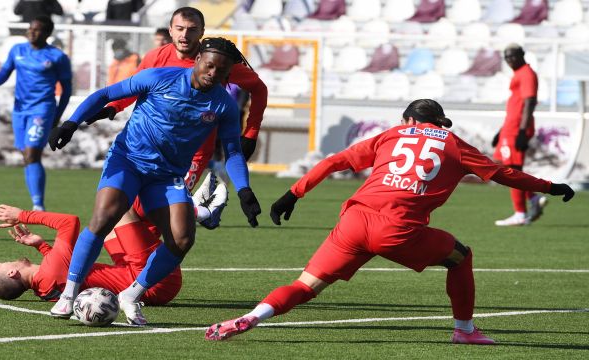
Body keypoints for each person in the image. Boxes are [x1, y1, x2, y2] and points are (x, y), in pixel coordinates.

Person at [205, 99, 575, 344]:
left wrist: (293, 194)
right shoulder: (451, 142)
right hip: (397, 230)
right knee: (461, 256)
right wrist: (550, 186)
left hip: (353, 221)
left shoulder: (392, 134)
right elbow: (502, 173)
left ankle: (253, 316)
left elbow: (336, 161)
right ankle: (464, 330)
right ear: (439, 122)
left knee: (305, 286)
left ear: (409, 121)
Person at [47, 37, 262, 325]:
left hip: (167, 176)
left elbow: (233, 152)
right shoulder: (160, 78)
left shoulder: (224, 105)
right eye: (210, 66)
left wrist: (245, 190)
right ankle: (69, 294)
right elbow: (106, 94)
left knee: (182, 239)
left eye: (222, 72)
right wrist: (72, 123)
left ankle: (131, 295)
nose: (213, 74)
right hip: (128, 161)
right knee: (103, 218)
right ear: (198, 59)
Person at [86, 7, 268, 192]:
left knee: (163, 213)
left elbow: (259, 89)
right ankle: (202, 210)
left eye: (192, 29)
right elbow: (135, 88)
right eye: (180, 28)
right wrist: (115, 106)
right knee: (136, 212)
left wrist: (251, 134)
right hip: (150, 150)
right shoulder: (155, 57)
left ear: (202, 32)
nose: (185, 35)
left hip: (193, 153)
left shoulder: (214, 60)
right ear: (171, 29)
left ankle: (199, 209)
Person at [0, 204, 181, 305]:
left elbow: (63, 268)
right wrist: (23, 215)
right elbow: (69, 222)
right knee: (117, 206)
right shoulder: (52, 270)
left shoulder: (43, 288)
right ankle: (192, 209)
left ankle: (164, 215)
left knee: (108, 226)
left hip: (140, 281)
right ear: (12, 273)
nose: (0, 262)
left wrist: (41, 245)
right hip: (155, 276)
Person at [0, 16, 72, 211]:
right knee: (26, 155)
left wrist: (58, 114)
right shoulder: (18, 50)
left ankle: (38, 206)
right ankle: (36, 200)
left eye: (37, 30)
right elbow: (5, 70)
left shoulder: (57, 57)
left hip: (42, 109)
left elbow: (66, 89)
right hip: (20, 109)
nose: (32, 32)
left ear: (47, 34)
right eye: (30, 28)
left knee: (32, 154)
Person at [492, 44, 546, 226]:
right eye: (506, 57)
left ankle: (520, 213)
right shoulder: (519, 73)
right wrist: (501, 131)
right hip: (510, 127)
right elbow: (516, 106)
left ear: (522, 55)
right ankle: (532, 198)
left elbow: (529, 102)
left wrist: (522, 131)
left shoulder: (527, 74)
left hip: (516, 128)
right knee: (504, 165)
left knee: (512, 170)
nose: (509, 60)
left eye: (513, 56)